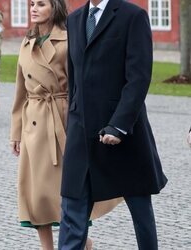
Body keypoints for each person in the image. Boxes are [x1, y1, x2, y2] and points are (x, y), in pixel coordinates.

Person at [10, 0, 121, 249]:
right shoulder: (26, 43)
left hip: (62, 123)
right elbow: (20, 93)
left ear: (55, 8)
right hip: (33, 125)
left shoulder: (69, 39)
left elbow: (79, 87)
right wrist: (15, 131)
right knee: (37, 196)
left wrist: (80, 124)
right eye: (31, 4)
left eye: (41, 4)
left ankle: (80, 243)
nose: (34, 8)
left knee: (68, 193)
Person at [58, 0, 168, 249]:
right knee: (72, 212)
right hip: (81, 133)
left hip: (123, 133)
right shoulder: (74, 20)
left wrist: (119, 125)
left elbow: (139, 78)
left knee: (140, 211)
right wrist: (72, 118)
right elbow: (74, 78)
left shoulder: (133, 16)